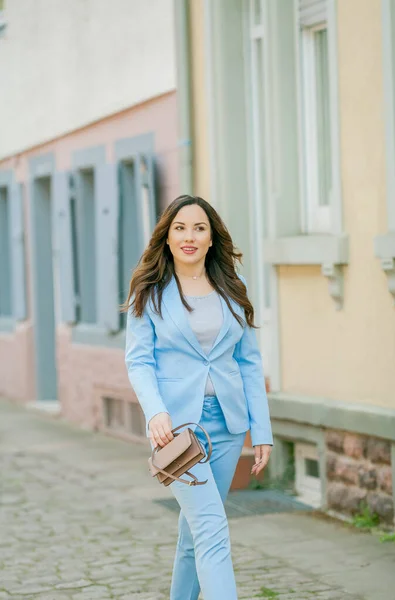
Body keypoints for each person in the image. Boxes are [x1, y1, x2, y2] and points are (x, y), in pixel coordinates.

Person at [124, 194, 273, 600]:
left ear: (211, 239)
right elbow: (139, 361)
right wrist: (155, 412)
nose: (189, 236)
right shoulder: (150, 291)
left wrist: (261, 431)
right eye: (180, 228)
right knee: (211, 527)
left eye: (199, 228)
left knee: (194, 533)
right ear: (167, 238)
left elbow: (248, 362)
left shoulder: (231, 288)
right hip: (177, 430)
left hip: (225, 425)